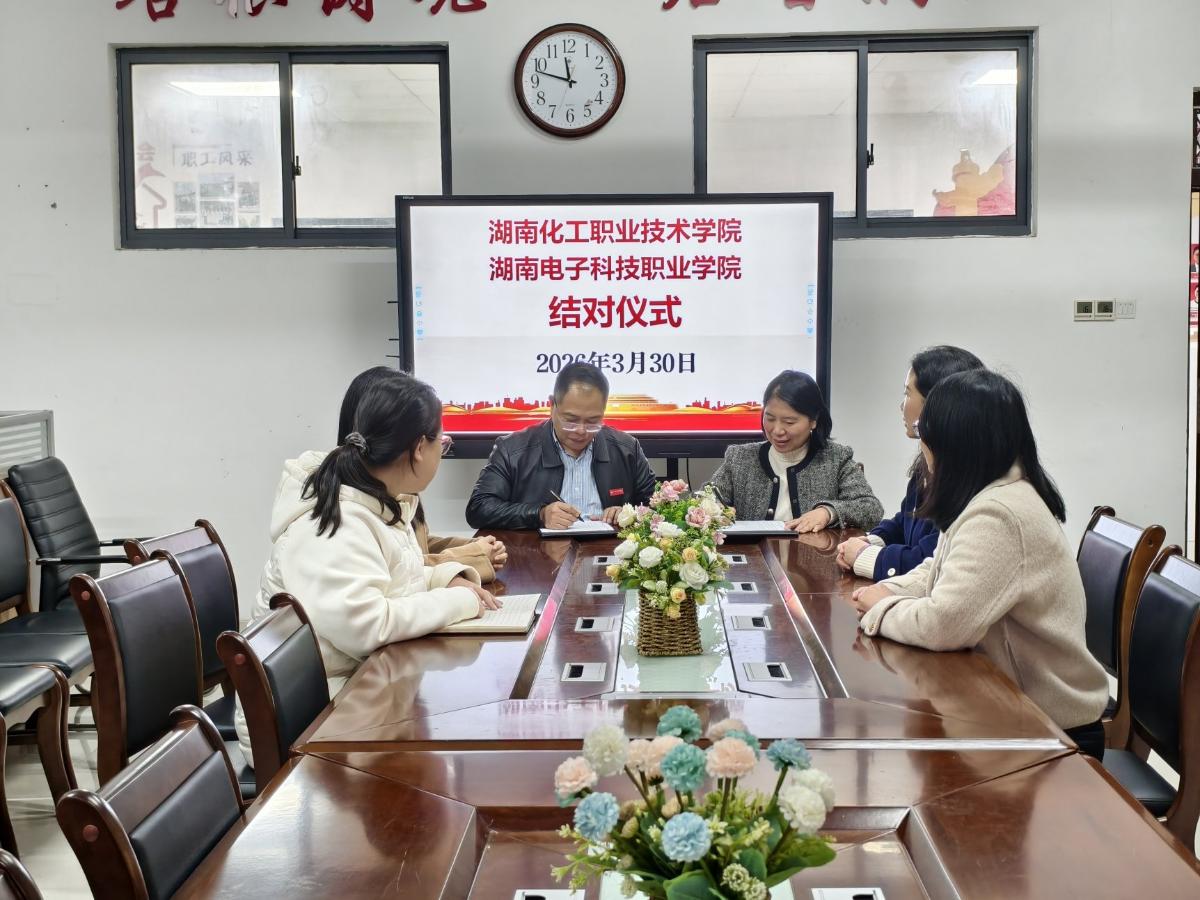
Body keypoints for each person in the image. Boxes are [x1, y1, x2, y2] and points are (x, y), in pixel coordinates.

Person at [235, 369, 500, 764]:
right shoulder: (335, 522)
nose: (441, 454)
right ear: (418, 448)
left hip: (352, 693)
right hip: (310, 723)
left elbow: (396, 580)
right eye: (441, 443)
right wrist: (460, 603)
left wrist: (448, 579)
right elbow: (366, 626)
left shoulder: (380, 503)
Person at [851, 369, 1109, 759]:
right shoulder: (989, 495)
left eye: (926, 434)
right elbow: (938, 568)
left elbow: (945, 625)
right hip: (1016, 713)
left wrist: (882, 610)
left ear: (954, 445)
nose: (922, 448)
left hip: (1050, 732)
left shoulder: (999, 515)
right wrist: (889, 590)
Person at [339, 366, 507, 581]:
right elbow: (405, 572)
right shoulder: (352, 513)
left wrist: (476, 547)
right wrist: (472, 556)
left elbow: (419, 547)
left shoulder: (396, 490)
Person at [837, 346, 985, 580]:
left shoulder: (967, 477)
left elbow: (932, 560)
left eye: (907, 394)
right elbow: (905, 521)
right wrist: (871, 541)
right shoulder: (928, 462)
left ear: (936, 403)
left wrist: (866, 557)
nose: (901, 405)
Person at [466, 362, 657, 530]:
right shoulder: (512, 450)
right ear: (552, 405)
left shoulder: (627, 449)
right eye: (571, 420)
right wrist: (539, 514)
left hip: (609, 556)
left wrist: (629, 513)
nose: (581, 431)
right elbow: (479, 509)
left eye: (593, 421)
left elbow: (659, 507)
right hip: (536, 556)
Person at [707, 370, 883, 532]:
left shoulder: (836, 459)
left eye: (789, 422)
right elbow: (705, 502)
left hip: (814, 556)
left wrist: (828, 512)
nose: (777, 430)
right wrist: (715, 511)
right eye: (770, 418)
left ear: (813, 420)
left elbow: (871, 508)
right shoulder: (740, 458)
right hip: (754, 556)